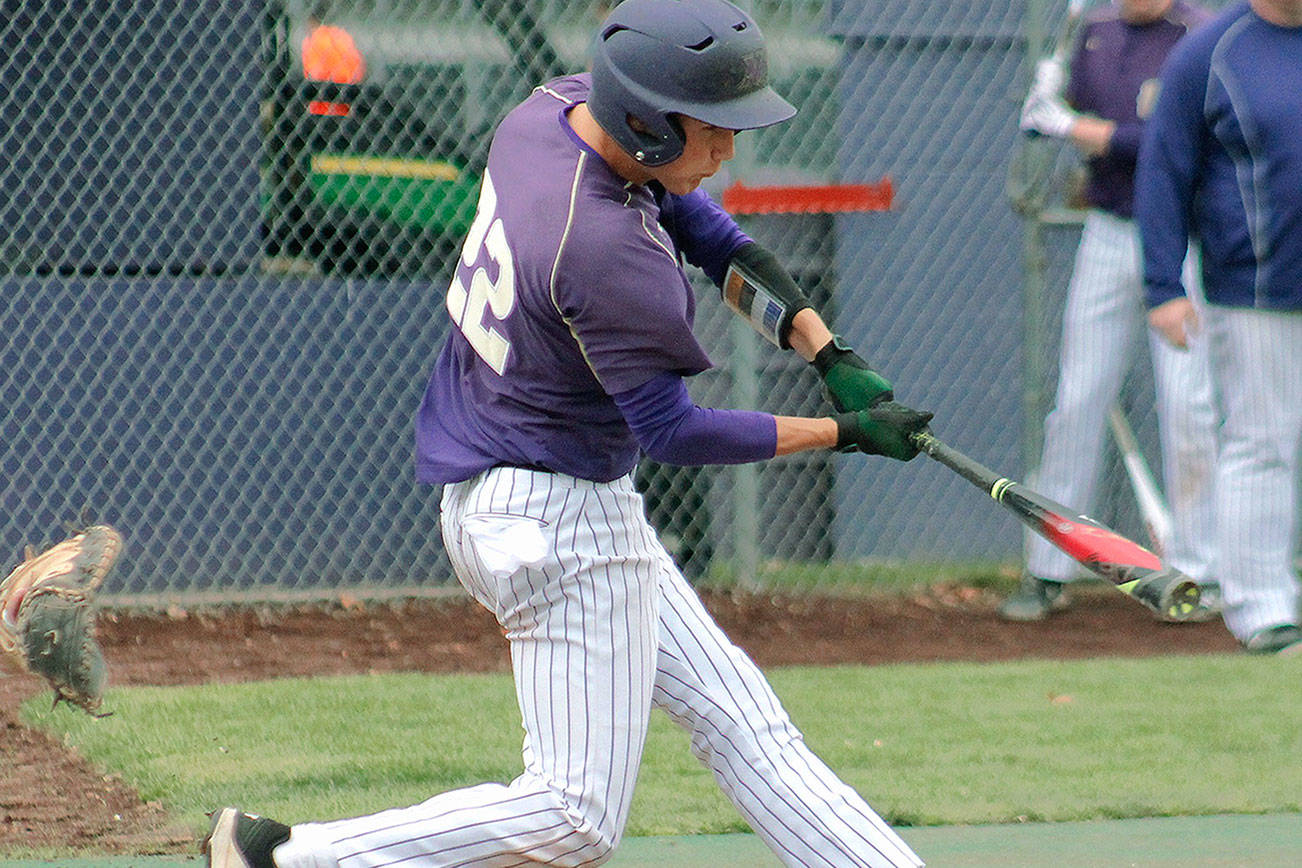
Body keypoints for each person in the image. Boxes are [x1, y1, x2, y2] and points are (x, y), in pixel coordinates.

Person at [203, 1, 932, 866]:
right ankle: (284, 859)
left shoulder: (548, 114)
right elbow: (673, 431)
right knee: (573, 816)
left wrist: (824, 347)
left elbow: (702, 227)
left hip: (513, 492)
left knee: (745, 726)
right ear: (649, 124)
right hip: (560, 523)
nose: (729, 149)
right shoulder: (604, 250)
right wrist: (841, 431)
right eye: (713, 130)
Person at [1001, 0, 1219, 621]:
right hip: (1108, 230)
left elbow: (1170, 142)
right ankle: (1049, 568)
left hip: (1183, 235)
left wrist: (1075, 128)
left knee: (1188, 403)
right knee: (1077, 399)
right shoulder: (1094, 32)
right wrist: (1047, 103)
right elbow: (1054, 122)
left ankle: (1200, 570)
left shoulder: (1197, 37)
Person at [1135, 0, 1302, 655]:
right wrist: (1163, 286)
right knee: (1262, 441)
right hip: (1253, 288)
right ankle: (1262, 607)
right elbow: (1164, 172)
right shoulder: (1210, 52)